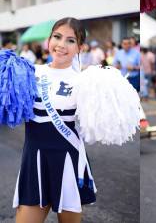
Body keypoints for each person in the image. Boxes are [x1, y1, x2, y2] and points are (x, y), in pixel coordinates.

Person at [13, 17, 96, 223]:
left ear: (80, 47)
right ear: (48, 40)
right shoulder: (29, 72)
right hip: (35, 159)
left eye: (70, 40)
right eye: (57, 37)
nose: (61, 45)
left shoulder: (86, 82)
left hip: (68, 159)